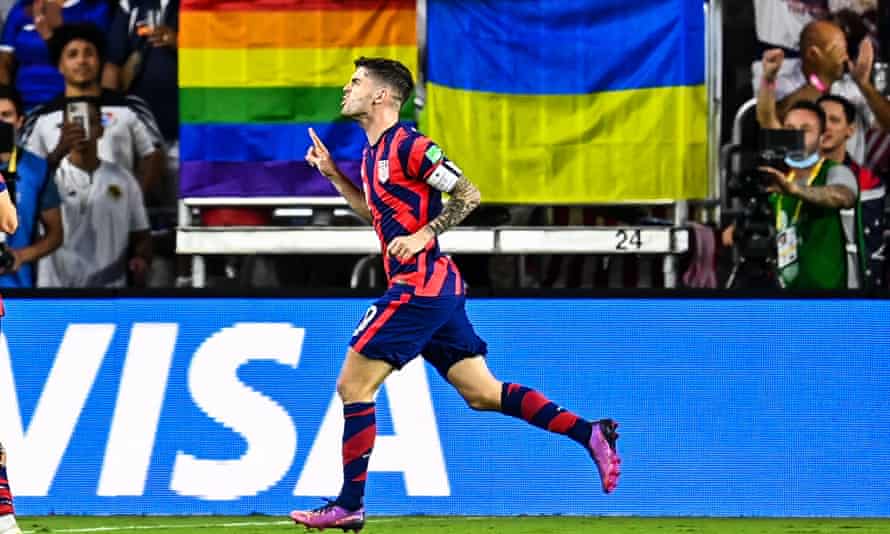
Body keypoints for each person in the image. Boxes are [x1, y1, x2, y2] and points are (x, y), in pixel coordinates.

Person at [287, 57, 621, 532]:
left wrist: (426, 233)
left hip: (418, 286)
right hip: (435, 289)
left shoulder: (412, 146)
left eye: (357, 82)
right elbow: (376, 217)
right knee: (483, 394)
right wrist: (333, 176)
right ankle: (590, 432)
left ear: (382, 95)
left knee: (353, 386)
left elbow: (468, 193)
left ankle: (350, 503)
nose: (347, 88)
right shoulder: (370, 155)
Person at [757, 51, 884, 287]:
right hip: (788, 292)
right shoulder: (790, 171)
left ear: (850, 130)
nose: (827, 129)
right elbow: (767, 121)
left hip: (836, 299)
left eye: (834, 121)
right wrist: (768, 79)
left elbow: (839, 195)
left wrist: (794, 190)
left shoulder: (848, 175)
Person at [21, 22, 164, 193]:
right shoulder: (41, 116)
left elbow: (154, 156)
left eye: (89, 53)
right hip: (62, 215)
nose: (81, 60)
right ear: (60, 65)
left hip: (117, 213)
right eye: (72, 55)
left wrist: (132, 202)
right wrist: (59, 150)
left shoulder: (131, 107)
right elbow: (26, 170)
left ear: (100, 61)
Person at [37, 98, 150, 287]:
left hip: (109, 292)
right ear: (62, 130)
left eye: (90, 122)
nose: (81, 129)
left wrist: (141, 259)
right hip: (55, 292)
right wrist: (58, 150)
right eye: (73, 123)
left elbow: (141, 236)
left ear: (101, 129)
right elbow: (27, 197)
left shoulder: (124, 179)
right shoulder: (49, 175)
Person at [758, 100, 862, 289]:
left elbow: (843, 196)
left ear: (822, 138)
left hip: (830, 300)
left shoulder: (836, 171)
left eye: (805, 130)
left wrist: (796, 190)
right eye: (790, 129)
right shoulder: (778, 180)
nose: (796, 136)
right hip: (787, 296)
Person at [0, 0, 117, 110]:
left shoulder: (95, 8)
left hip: (73, 103)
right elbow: (4, 63)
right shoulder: (22, 8)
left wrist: (50, 35)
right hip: (24, 105)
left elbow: (95, 59)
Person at [0, 85, 61, 287]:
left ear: (20, 121)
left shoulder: (38, 168)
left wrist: (21, 256)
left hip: (20, 292)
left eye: (6, 115)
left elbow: (56, 233)